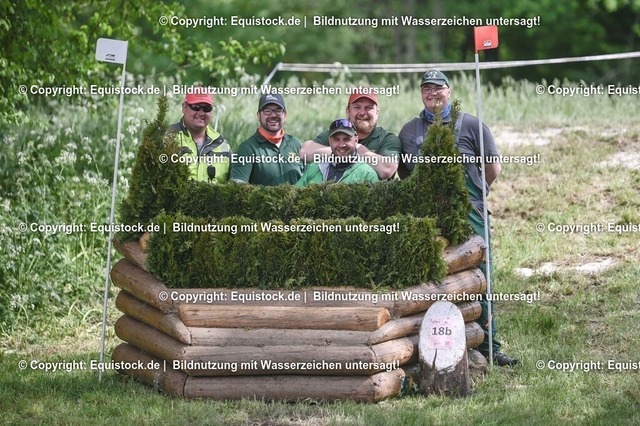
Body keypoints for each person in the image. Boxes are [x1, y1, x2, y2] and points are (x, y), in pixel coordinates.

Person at [398, 69, 518, 367]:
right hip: (428, 214)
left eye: (438, 88)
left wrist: (475, 197)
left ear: (449, 91)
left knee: (481, 276)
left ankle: (489, 348)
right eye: (427, 89)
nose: (433, 93)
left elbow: (492, 167)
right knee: (430, 279)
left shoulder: (472, 125)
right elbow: (406, 176)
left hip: (469, 213)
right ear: (421, 93)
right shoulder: (409, 131)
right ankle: (429, 351)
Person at [299, 90, 400, 179]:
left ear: (377, 113)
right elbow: (305, 152)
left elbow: (387, 170)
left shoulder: (387, 139)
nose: (362, 113)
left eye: (368, 108)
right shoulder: (336, 133)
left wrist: (358, 150)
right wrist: (339, 150)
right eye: (357, 107)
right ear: (348, 111)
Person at [231, 93, 304, 185]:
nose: (273, 115)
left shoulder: (297, 144)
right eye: (267, 111)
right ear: (258, 115)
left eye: (278, 110)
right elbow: (238, 186)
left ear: (285, 115)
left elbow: (310, 181)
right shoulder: (247, 148)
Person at [167, 88, 232, 183]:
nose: (201, 113)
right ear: (184, 107)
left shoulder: (223, 145)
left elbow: (234, 185)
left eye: (207, 108)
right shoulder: (166, 138)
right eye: (196, 107)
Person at [296, 119, 379, 186]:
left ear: (356, 140)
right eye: (336, 139)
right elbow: (294, 196)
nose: (341, 145)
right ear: (330, 141)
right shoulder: (315, 167)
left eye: (347, 139)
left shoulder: (367, 174)